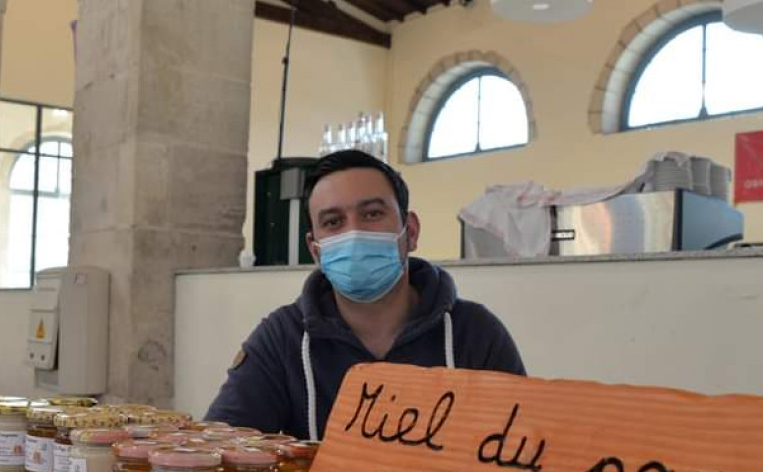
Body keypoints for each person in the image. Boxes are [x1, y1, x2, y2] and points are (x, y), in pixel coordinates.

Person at [206, 149, 525, 439]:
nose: (353, 233)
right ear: (315, 250)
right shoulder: (282, 339)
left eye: (372, 214)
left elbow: (523, 457)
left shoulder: (477, 335)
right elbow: (218, 448)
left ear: (410, 231)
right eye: (333, 222)